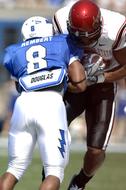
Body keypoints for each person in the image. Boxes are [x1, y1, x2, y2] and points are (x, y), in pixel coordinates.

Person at [0, 16, 87, 190]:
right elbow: (80, 83)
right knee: (54, 171)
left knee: (14, 168)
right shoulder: (63, 42)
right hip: (51, 104)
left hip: (23, 103)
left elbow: (18, 86)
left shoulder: (14, 51)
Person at [50, 0, 126, 189]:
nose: (84, 41)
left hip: (103, 86)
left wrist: (99, 78)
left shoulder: (116, 29)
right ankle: (49, 175)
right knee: (51, 133)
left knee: (95, 150)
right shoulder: (60, 20)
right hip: (73, 84)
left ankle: (79, 182)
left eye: (88, 36)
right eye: (78, 36)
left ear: (100, 26)